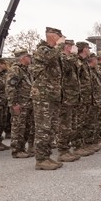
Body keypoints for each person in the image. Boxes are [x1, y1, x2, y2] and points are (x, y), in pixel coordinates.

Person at [30, 27, 65, 170]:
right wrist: (60, 45)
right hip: (42, 95)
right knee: (43, 128)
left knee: (51, 128)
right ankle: (41, 159)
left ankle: (47, 156)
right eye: (59, 35)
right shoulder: (42, 50)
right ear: (51, 36)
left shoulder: (53, 51)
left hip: (52, 95)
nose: (62, 38)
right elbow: (49, 57)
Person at [6, 50, 35, 159]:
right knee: (18, 128)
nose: (30, 58)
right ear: (22, 58)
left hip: (27, 104)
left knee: (26, 128)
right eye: (28, 56)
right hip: (19, 104)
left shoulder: (26, 70)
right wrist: (14, 104)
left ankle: (22, 148)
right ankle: (17, 150)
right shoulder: (15, 70)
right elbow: (10, 87)